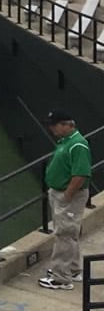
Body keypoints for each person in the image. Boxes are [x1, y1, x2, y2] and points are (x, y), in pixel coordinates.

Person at [42, 109, 92, 290]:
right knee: (69, 233)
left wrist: (66, 196)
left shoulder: (78, 144)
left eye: (54, 125)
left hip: (69, 196)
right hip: (61, 193)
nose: (51, 129)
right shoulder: (67, 141)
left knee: (64, 234)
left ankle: (61, 278)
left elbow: (80, 174)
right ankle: (73, 269)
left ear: (66, 125)